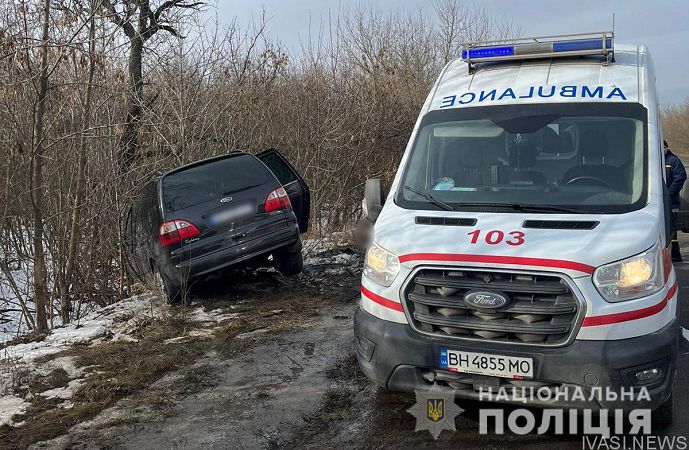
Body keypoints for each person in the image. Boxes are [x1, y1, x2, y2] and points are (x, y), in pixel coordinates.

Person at [665, 140, 687, 262]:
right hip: (657, 200)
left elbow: (681, 177)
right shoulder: (653, 161)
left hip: (672, 201)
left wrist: (669, 193)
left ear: (667, 148)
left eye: (664, 147)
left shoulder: (673, 161)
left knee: (672, 228)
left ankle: (675, 254)